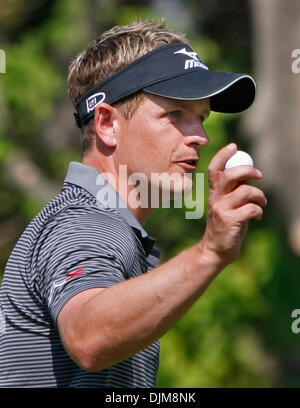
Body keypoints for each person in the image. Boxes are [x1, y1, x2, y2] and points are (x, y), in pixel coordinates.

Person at [0, 19, 266, 387]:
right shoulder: (84, 224)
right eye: (175, 115)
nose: (201, 137)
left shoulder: (110, 226)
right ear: (107, 124)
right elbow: (87, 338)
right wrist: (210, 252)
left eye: (201, 118)